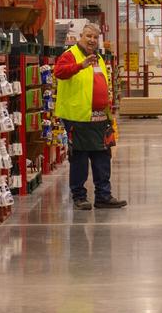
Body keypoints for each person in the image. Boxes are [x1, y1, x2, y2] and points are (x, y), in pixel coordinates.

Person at [54, 23, 127, 211]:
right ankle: (79, 196)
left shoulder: (99, 58)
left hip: (99, 117)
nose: (92, 40)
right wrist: (80, 65)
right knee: (79, 158)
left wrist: (108, 111)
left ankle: (103, 196)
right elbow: (59, 72)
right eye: (89, 36)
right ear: (81, 36)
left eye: (95, 37)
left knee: (102, 156)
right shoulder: (70, 55)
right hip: (77, 117)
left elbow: (101, 84)